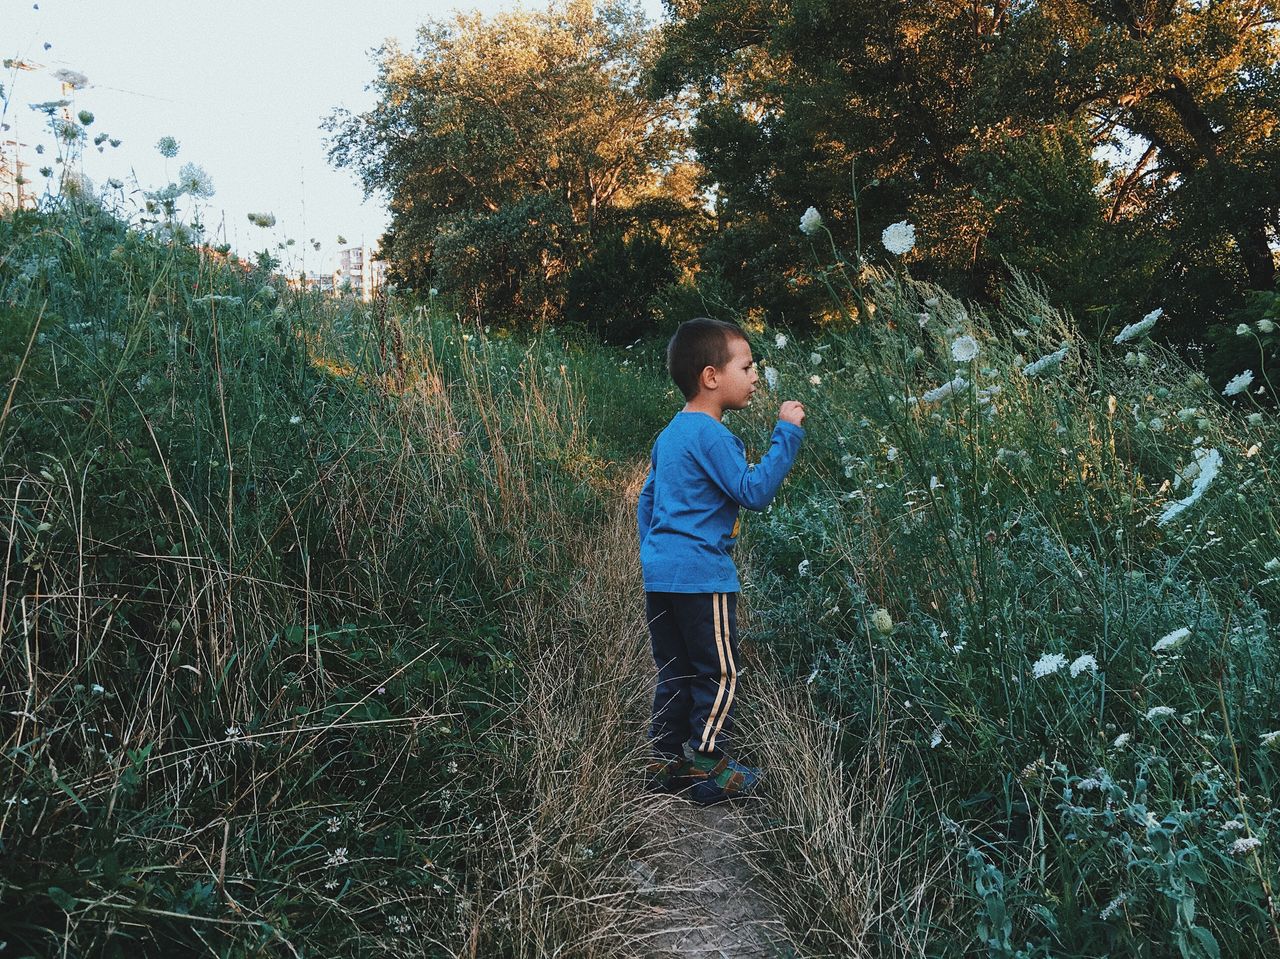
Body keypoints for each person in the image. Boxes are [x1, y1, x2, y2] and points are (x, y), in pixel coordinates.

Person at [637, 317, 805, 805]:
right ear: (712, 377)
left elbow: (648, 501)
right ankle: (710, 766)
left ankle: (663, 760)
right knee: (719, 672)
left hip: (661, 574)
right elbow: (753, 491)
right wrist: (786, 435)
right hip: (701, 578)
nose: (755, 376)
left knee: (675, 669)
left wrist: (656, 550)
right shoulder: (713, 435)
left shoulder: (670, 434)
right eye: (747, 366)